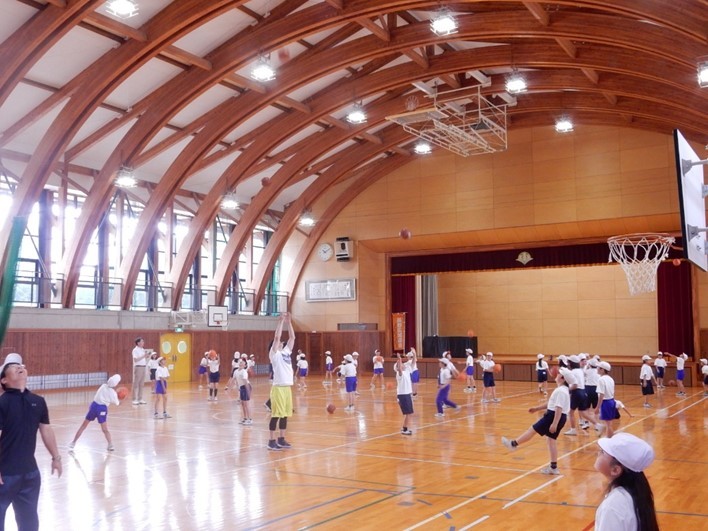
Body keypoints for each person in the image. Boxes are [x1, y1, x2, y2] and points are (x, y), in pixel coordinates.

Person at [0, 353, 62, 530]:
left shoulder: (38, 401)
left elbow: (46, 430)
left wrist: (56, 457)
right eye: (12, 367)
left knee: (29, 522)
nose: (19, 367)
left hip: (31, 474)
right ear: (3, 380)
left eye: (21, 366)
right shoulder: (2, 403)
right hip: (5, 476)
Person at [501, 367, 573, 475]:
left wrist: (554, 423)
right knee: (551, 441)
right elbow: (551, 404)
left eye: (559, 374)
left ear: (563, 379)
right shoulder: (563, 390)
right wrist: (537, 408)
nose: (557, 375)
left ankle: (513, 444)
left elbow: (558, 408)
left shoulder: (561, 391)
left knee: (532, 430)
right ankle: (553, 467)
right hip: (557, 416)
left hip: (553, 417)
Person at [594, 433, 659, 531]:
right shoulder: (637, 492)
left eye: (603, 452)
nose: (598, 453)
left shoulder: (613, 506)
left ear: (615, 470)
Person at [69, 374, 122, 452]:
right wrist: (122, 398)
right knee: (105, 429)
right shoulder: (113, 393)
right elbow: (117, 403)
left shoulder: (103, 386)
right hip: (102, 409)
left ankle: (73, 443)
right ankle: (110, 445)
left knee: (83, 426)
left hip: (94, 406)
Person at [267, 313, 296, 451]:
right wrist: (280, 322)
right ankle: (271, 440)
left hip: (287, 388)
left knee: (285, 414)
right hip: (278, 388)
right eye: (279, 343)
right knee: (276, 415)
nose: (281, 343)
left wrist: (289, 322)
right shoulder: (274, 354)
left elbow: (292, 337)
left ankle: (282, 439)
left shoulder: (286, 352)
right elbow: (277, 337)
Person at [394, 352, 414, 435]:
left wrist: (415, 354)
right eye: (401, 364)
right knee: (408, 413)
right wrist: (399, 359)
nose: (403, 364)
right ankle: (404, 429)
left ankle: (405, 428)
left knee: (409, 413)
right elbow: (399, 369)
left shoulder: (407, 371)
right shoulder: (399, 374)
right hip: (403, 395)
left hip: (407, 394)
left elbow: (413, 362)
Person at [595, 361, 616, 437]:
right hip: (611, 401)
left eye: (598, 368)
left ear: (602, 370)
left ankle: (609, 442)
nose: (597, 369)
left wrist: (597, 407)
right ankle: (610, 440)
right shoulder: (610, 379)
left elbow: (601, 394)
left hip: (606, 402)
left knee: (608, 425)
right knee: (609, 424)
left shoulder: (601, 380)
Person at [131, 337, 149, 405]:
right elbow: (135, 360)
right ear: (138, 343)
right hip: (138, 367)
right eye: (142, 341)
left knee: (141, 384)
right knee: (136, 383)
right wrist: (144, 356)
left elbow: (143, 358)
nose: (143, 343)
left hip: (143, 367)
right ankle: (134, 399)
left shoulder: (142, 349)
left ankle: (140, 398)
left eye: (143, 341)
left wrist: (146, 356)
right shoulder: (135, 350)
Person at [235, 358, 252, 425]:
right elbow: (234, 380)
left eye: (243, 362)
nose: (241, 363)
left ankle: (250, 419)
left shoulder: (244, 371)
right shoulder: (236, 371)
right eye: (240, 362)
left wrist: (248, 391)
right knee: (242, 404)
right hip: (242, 387)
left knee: (246, 404)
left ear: (245, 365)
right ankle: (245, 418)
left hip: (246, 387)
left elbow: (245, 382)